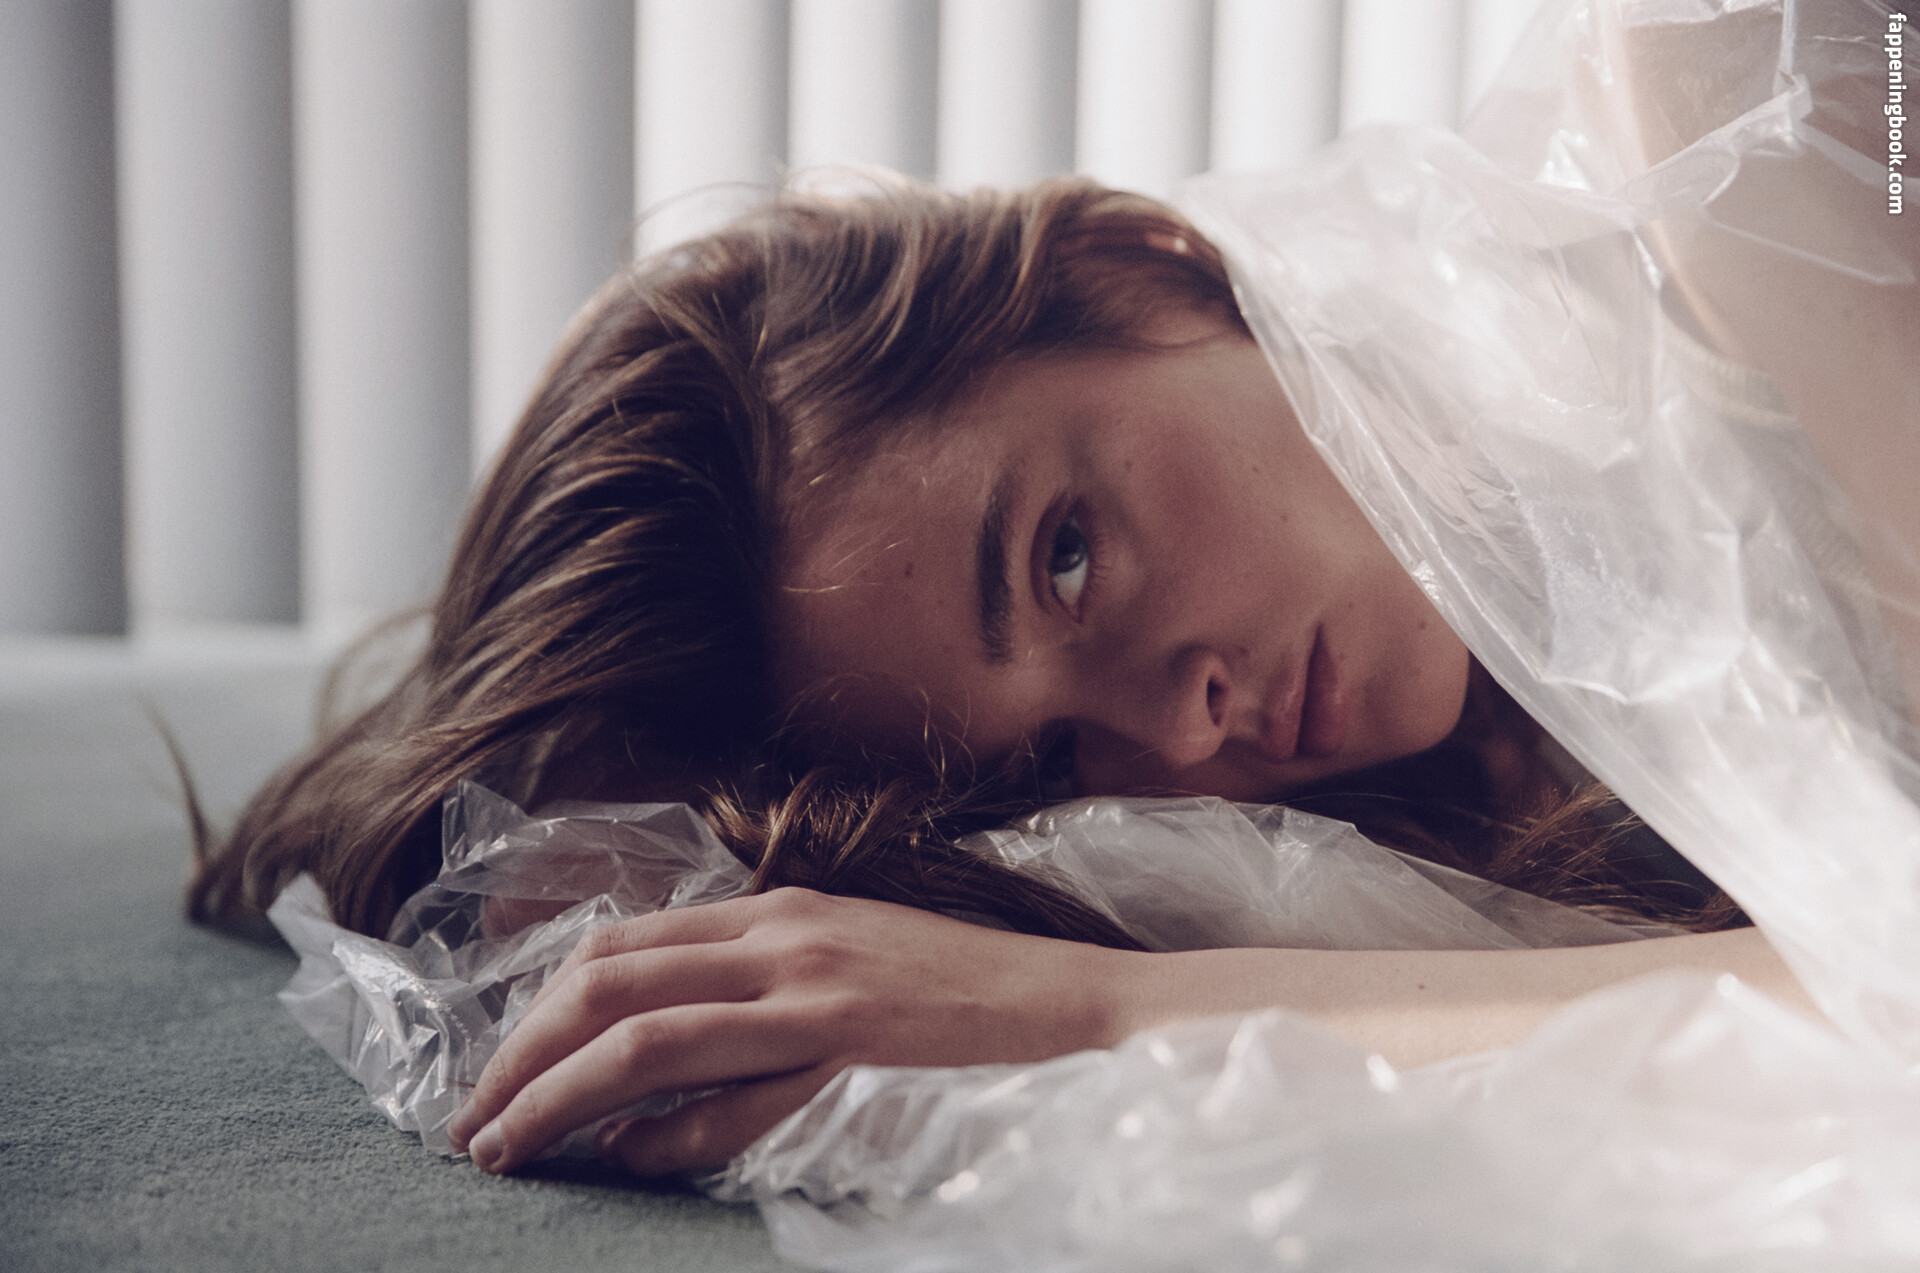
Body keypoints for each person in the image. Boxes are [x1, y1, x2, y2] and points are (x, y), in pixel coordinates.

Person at [187, 174, 1818, 1181]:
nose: (1179, 729)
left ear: (1138, 267)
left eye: (1066, 555)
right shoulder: (1483, 829)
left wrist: (1097, 1015)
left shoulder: (1740, 157)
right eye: (1053, 770)